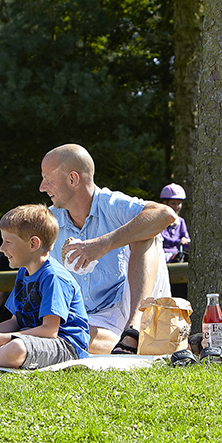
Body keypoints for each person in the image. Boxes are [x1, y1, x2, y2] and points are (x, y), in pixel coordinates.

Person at [39, 144, 176, 355]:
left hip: (131, 307)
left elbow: (165, 214)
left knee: (145, 232)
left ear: (73, 179)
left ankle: (135, 330)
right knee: (56, 335)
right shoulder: (50, 220)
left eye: (47, 179)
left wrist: (104, 244)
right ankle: (130, 344)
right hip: (92, 319)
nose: (42, 187)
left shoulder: (111, 204)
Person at [0, 205, 89, 370]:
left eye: (8, 242)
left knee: (16, 348)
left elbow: (50, 331)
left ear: (33, 244)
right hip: (27, 338)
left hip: (64, 345)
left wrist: (2, 339)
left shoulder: (53, 277)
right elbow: (15, 321)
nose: (1, 248)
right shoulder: (23, 273)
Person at [158, 183, 191, 263]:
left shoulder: (181, 221)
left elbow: (185, 237)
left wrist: (186, 241)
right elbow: (162, 238)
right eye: (173, 203)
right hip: (162, 253)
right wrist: (178, 242)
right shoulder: (159, 220)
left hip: (176, 254)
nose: (176, 207)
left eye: (179, 204)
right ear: (165, 203)